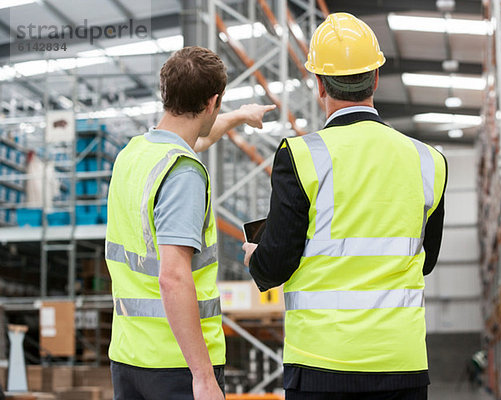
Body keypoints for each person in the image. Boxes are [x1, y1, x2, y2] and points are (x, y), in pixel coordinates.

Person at [242, 13, 447, 400]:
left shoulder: (300, 157)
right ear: (376, 78)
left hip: (321, 363)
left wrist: (257, 256)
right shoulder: (428, 161)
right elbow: (427, 259)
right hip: (401, 364)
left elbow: (277, 264)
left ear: (319, 84)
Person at [105, 46, 275, 400]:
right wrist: (202, 376)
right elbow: (173, 277)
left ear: (167, 93)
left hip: (129, 357)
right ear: (212, 102)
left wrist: (240, 115)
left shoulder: (133, 154)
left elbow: (198, 137)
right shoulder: (182, 171)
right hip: (177, 365)